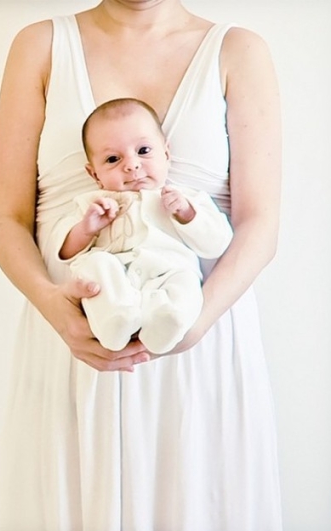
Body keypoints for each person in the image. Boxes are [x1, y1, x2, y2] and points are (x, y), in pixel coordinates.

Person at [0, 0, 282, 531]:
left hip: (202, 339)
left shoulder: (238, 51)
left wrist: (197, 324)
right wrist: (57, 310)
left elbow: (259, 224)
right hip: (72, 343)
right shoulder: (40, 46)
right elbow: (6, 219)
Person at [61, 98, 233, 354]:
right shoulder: (93, 205)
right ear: (94, 175)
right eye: (112, 159)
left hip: (169, 274)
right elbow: (65, 253)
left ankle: (167, 321)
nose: (131, 165)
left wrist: (187, 214)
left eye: (143, 151)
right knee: (94, 266)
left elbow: (218, 243)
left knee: (186, 284)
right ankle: (114, 319)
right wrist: (87, 228)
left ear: (166, 153)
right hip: (118, 279)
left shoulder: (185, 198)